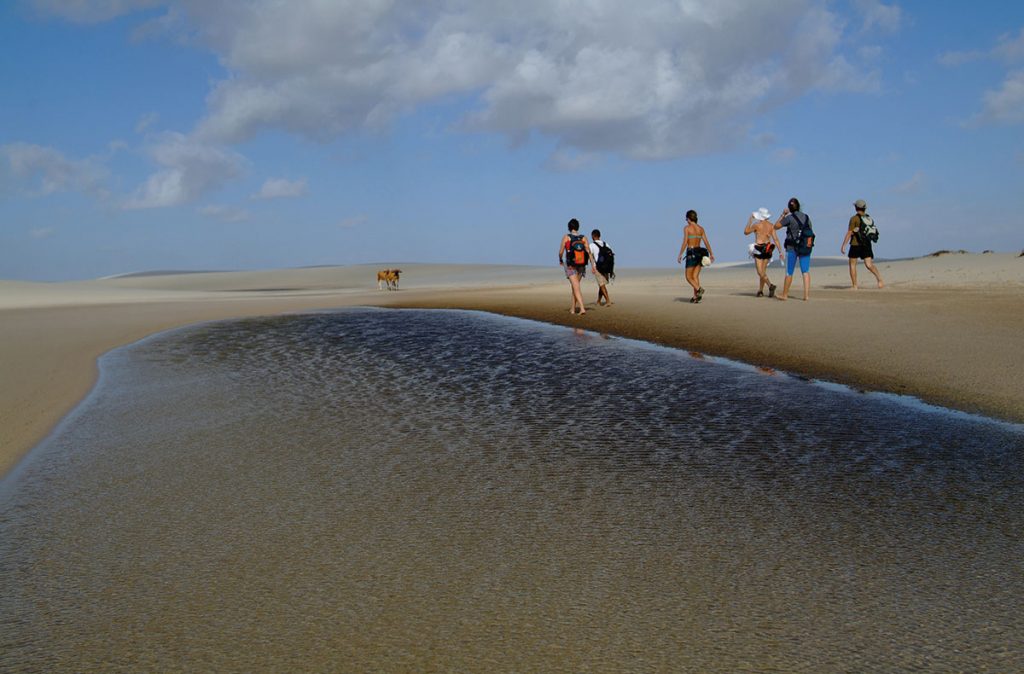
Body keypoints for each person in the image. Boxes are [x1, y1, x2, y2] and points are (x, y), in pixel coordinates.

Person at [773, 197, 813, 301]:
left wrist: (783, 215)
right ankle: (806, 295)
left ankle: (785, 295)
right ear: (799, 206)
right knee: (805, 271)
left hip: (792, 248)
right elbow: (810, 231)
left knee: (789, 272)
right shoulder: (807, 217)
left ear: (789, 208)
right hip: (805, 247)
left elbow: (776, 226)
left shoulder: (789, 218)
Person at [841, 198, 885, 289]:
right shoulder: (868, 218)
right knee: (869, 265)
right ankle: (880, 279)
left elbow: (849, 233)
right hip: (867, 244)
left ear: (856, 208)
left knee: (852, 264)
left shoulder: (854, 219)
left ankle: (854, 285)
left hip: (855, 244)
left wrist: (843, 245)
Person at [676, 209, 715, 303]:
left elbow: (685, 242)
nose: (686, 220)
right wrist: (711, 253)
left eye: (686, 219)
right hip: (700, 252)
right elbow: (706, 242)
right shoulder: (701, 229)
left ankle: (699, 289)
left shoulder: (687, 228)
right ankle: (695, 297)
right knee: (695, 276)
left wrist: (680, 254)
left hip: (691, 252)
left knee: (688, 277)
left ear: (689, 219)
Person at [744, 207, 783, 297]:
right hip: (768, 248)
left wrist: (750, 220)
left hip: (759, 248)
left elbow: (746, 232)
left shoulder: (757, 225)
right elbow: (776, 239)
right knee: (763, 272)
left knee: (760, 272)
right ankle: (760, 291)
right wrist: (780, 251)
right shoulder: (771, 225)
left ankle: (770, 285)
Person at [558, 218, 590, 314]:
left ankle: (582, 308)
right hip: (581, 265)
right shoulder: (583, 238)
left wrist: (560, 259)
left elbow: (561, 252)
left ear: (569, 227)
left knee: (575, 286)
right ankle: (572, 309)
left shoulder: (566, 237)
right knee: (575, 286)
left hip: (570, 265)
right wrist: (593, 264)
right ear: (577, 227)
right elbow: (588, 251)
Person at [589, 228, 613, 306]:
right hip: (607, 267)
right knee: (601, 285)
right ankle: (598, 301)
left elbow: (590, 257)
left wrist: (593, 266)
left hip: (598, 268)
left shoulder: (592, 245)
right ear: (599, 236)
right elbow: (611, 256)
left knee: (602, 285)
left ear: (593, 236)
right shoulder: (606, 244)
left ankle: (608, 301)